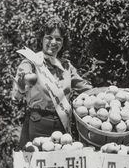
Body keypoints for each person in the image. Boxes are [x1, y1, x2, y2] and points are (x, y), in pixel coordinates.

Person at [12, 16, 92, 148]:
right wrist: (22, 86)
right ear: (41, 39)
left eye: (58, 39)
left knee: (61, 166)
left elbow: (86, 89)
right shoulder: (31, 63)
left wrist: (109, 92)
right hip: (38, 125)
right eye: (49, 37)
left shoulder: (66, 66)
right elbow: (17, 94)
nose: (53, 42)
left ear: (63, 42)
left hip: (62, 126)